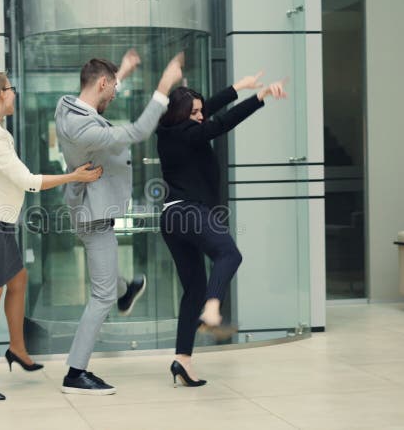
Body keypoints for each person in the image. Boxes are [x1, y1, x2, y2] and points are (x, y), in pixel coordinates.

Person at [0, 19, 103, 401]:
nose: (14, 92)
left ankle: (17, 348)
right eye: (9, 89)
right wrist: (73, 175)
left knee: (19, 280)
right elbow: (28, 181)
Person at [54, 50, 184, 395]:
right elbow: (140, 131)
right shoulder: (85, 128)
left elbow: (99, 94)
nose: (114, 95)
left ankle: (125, 291)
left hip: (90, 208)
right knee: (101, 297)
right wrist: (163, 87)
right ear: (100, 83)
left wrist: (121, 72)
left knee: (109, 284)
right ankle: (75, 372)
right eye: (112, 89)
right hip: (94, 215)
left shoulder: (69, 107)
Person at [156, 72, 287, 387]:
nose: (201, 117)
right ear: (183, 115)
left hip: (171, 218)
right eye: (195, 113)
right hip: (190, 211)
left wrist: (238, 87)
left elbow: (208, 109)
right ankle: (212, 309)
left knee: (193, 291)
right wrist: (259, 97)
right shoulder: (190, 133)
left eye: (201, 111)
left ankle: (183, 360)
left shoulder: (169, 130)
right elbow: (222, 123)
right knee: (228, 253)